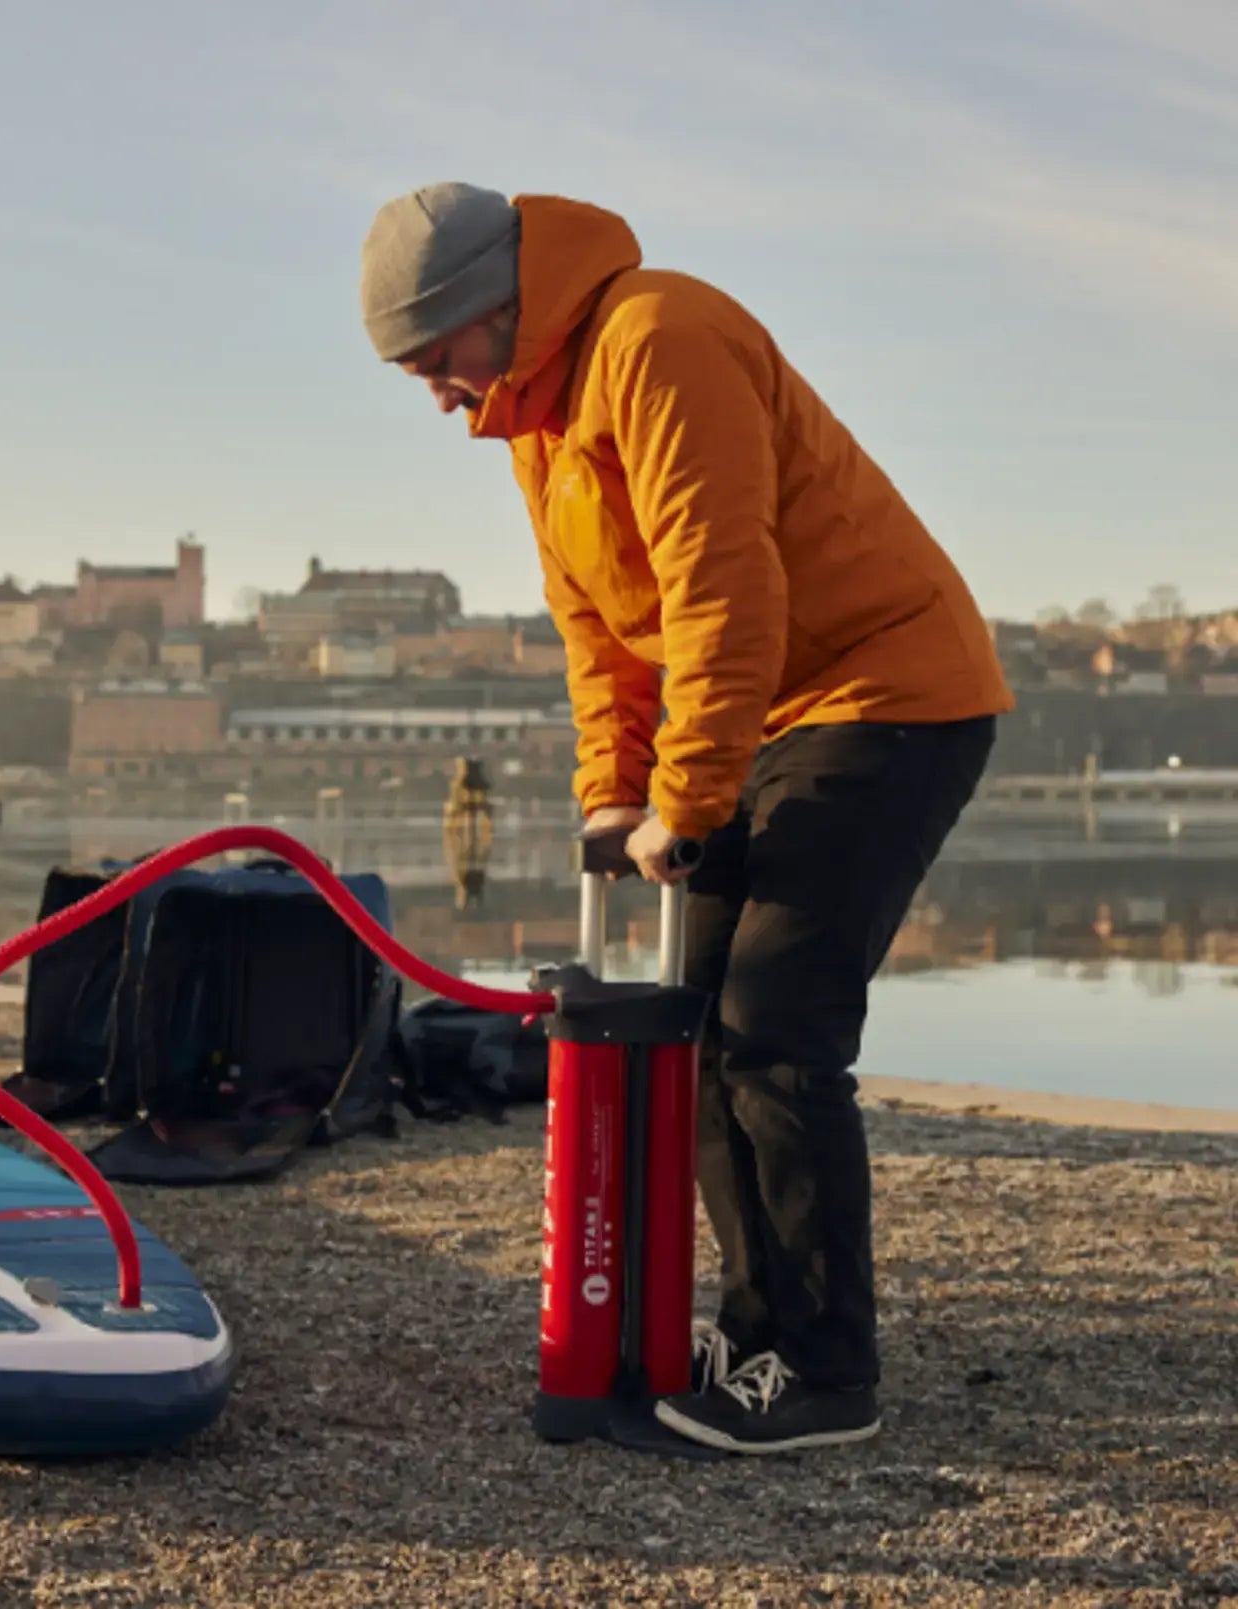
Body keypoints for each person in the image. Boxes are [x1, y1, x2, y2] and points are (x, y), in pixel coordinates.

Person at [358, 184, 1013, 1455]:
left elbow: (724, 583)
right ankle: (758, 1333)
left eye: (437, 359)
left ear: (498, 308)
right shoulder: (539, 423)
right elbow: (599, 631)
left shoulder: (660, 337)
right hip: (771, 714)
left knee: (776, 1025)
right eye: (413, 373)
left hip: (888, 693)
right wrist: (616, 787)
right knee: (700, 1029)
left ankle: (825, 1374)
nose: (437, 394)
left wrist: (690, 800)